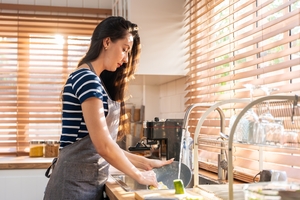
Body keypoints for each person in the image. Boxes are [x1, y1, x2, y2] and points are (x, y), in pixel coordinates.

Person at [43, 16, 174, 200]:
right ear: (107, 42)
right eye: (124, 49)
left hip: (86, 186)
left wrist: (144, 163)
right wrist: (139, 175)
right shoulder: (87, 79)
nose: (126, 59)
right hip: (72, 189)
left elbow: (104, 144)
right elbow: (103, 146)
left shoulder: (94, 80)